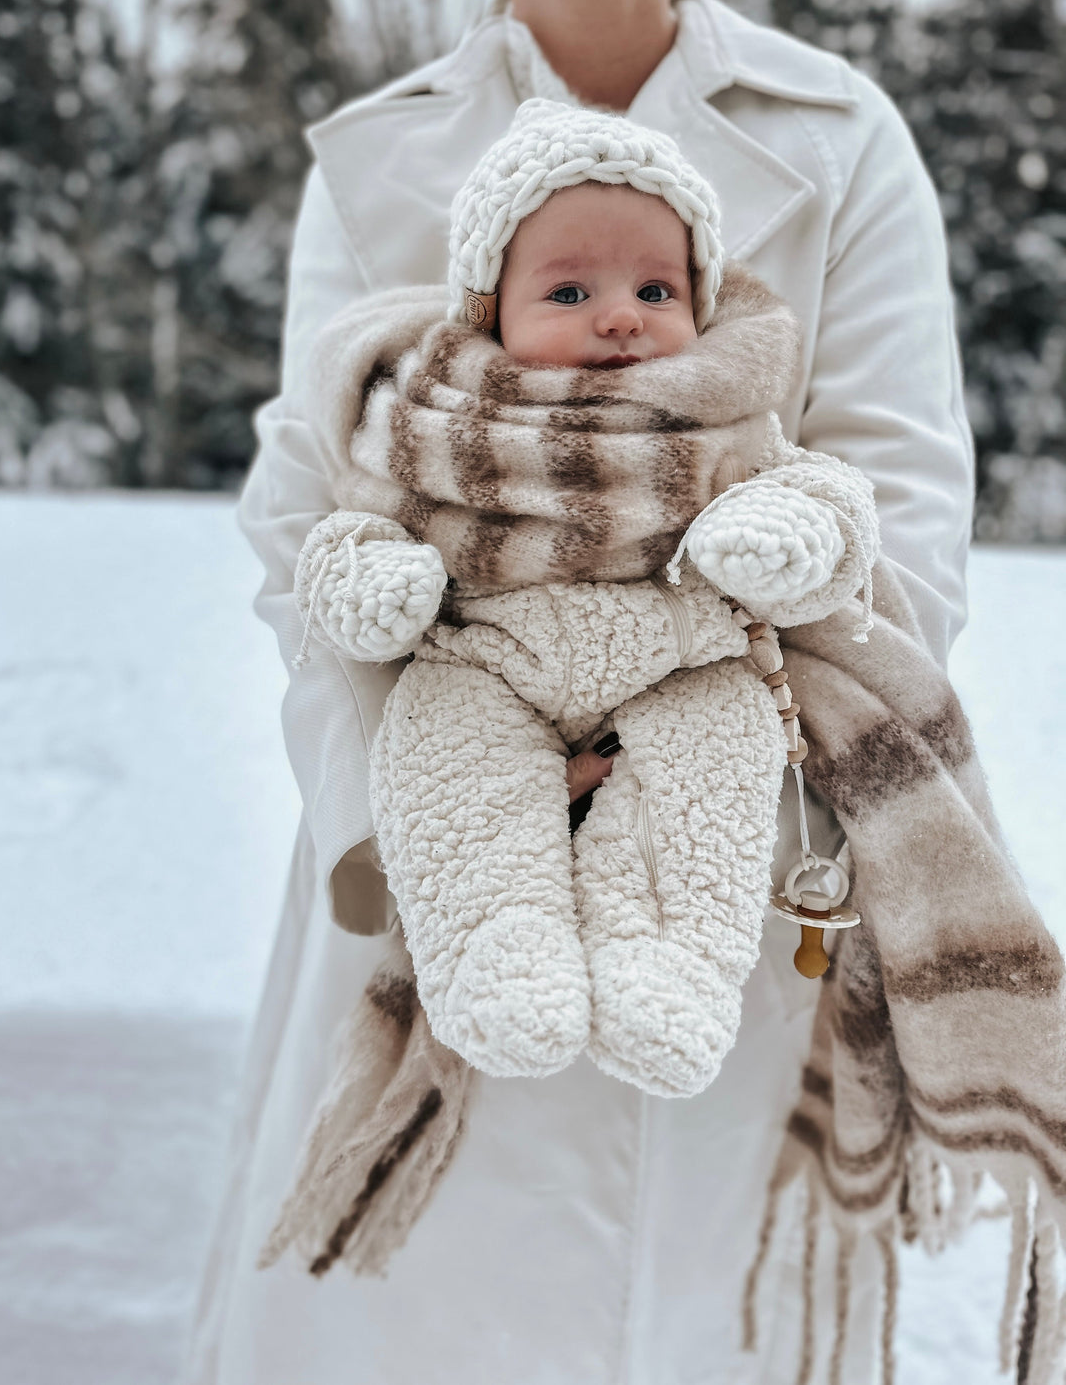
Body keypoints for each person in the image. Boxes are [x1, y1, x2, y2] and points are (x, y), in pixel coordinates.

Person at [182, 0, 974, 1383]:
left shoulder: (840, 131)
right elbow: (310, 518)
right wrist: (442, 761)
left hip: (732, 847)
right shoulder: (377, 151)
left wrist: (696, 738)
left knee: (702, 1322)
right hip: (447, 838)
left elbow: (897, 511)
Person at [289, 99, 878, 1100]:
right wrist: (368, 579)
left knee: (711, 766)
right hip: (490, 661)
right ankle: (497, 955)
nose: (620, 314)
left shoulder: (726, 421)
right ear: (490, 312)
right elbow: (354, 525)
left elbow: (828, 498)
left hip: (683, 661)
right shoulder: (438, 426)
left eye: (655, 285)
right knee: (452, 763)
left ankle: (673, 969)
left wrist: (788, 537)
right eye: (569, 289)